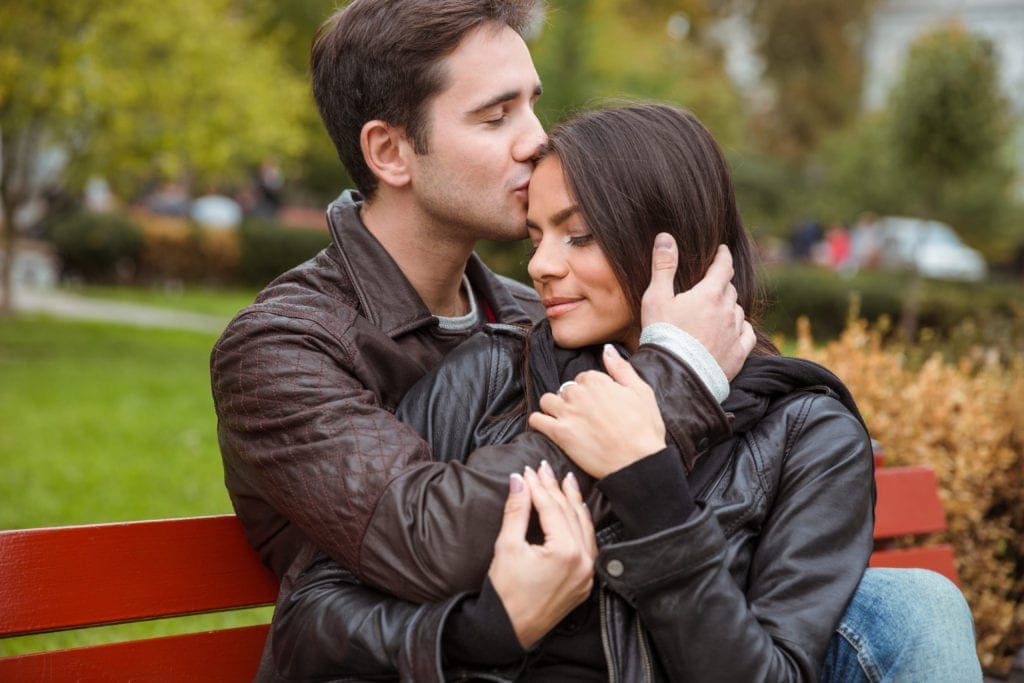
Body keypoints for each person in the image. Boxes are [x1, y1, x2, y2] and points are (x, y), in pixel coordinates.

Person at [208, 1, 980, 680]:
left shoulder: (525, 319)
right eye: (495, 115)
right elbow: (416, 548)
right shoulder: (285, 348)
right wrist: (674, 378)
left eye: (532, 106)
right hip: (425, 656)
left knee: (908, 602)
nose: (536, 140)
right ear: (390, 152)